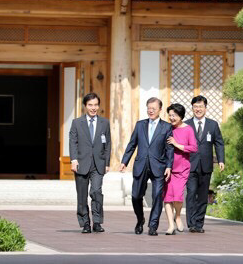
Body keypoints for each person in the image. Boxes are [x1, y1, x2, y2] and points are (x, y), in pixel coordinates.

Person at [119, 97, 174, 236]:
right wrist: (124, 161)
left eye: (154, 108)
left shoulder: (166, 127)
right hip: (141, 165)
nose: (151, 111)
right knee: (136, 196)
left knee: (157, 196)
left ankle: (153, 226)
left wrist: (169, 166)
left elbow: (169, 149)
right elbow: (132, 144)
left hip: (158, 167)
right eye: (149, 108)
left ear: (160, 110)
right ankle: (140, 219)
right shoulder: (140, 125)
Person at [69, 93, 111, 233]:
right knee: (82, 195)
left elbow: (108, 143)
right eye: (90, 105)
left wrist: (107, 162)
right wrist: (73, 160)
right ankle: (85, 223)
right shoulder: (77, 122)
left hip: (98, 164)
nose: (93, 108)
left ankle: (97, 222)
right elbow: (73, 142)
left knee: (96, 192)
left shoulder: (104, 123)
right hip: (81, 163)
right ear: (85, 106)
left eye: (96, 105)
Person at [185, 95, 225, 233]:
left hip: (206, 165)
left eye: (201, 106)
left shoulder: (212, 125)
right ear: (192, 108)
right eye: (195, 107)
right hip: (190, 165)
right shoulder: (186, 124)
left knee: (202, 196)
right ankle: (190, 223)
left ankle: (199, 224)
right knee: (191, 193)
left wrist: (221, 160)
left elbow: (219, 143)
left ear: (205, 108)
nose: (198, 109)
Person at [163, 103, 198, 235]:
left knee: (177, 197)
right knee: (167, 197)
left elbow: (193, 148)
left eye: (174, 115)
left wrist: (177, 144)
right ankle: (171, 225)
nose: (171, 118)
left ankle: (177, 215)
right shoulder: (167, 128)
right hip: (168, 168)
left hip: (182, 168)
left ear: (181, 116)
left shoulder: (188, 129)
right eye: (170, 115)